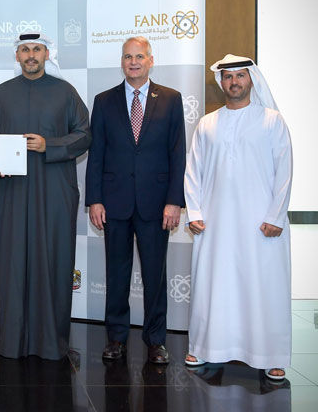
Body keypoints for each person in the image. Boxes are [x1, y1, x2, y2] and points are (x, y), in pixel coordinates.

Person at [183, 54, 293, 381]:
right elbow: (193, 171)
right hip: (215, 224)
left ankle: (271, 355)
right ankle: (205, 347)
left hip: (261, 225)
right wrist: (195, 211)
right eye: (228, 77)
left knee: (264, 287)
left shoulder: (272, 120)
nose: (234, 82)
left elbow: (284, 171)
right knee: (213, 285)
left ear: (251, 79)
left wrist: (276, 215)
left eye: (240, 76)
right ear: (221, 82)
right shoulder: (207, 124)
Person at [0, 32, 91, 360]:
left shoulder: (65, 92)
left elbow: (84, 135)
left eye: (37, 49)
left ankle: (51, 343)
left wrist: (49, 145)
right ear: (17, 56)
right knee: (13, 263)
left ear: (46, 54)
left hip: (55, 191)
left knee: (54, 261)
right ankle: (13, 342)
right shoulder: (2, 93)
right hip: (15, 193)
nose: (31, 55)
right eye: (25, 50)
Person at [85, 36, 186, 364]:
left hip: (156, 204)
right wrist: (95, 199)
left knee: (155, 275)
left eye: (139, 56)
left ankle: (156, 341)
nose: (133, 62)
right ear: (122, 62)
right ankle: (116, 338)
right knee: (116, 274)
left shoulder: (171, 99)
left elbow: (177, 153)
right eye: (128, 57)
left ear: (150, 60)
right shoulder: (104, 101)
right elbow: (96, 154)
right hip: (114, 203)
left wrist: (174, 201)